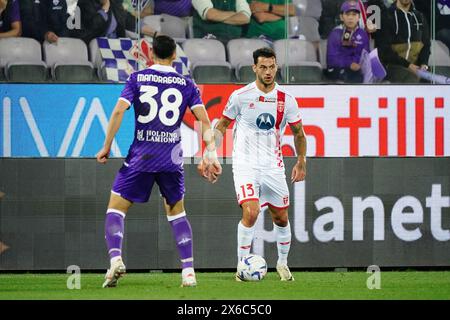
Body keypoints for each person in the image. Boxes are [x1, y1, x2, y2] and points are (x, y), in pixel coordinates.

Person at [96, 35, 221, 288]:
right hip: (171, 158)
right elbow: (204, 121)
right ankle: (188, 272)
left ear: (151, 54)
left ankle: (116, 260)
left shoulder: (137, 78)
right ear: (175, 55)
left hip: (141, 156)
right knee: (177, 213)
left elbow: (120, 110)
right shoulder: (186, 83)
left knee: (116, 209)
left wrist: (107, 146)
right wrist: (211, 152)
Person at [214, 47, 307, 281]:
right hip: (245, 164)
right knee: (252, 211)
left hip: (273, 166)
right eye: (263, 67)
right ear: (254, 67)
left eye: (272, 66)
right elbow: (222, 126)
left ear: (277, 67)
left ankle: (283, 264)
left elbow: (299, 133)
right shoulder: (240, 96)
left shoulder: (287, 100)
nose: (268, 72)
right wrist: (209, 153)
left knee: (281, 217)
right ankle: (241, 267)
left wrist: (301, 160)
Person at [376, 0, 430, 83]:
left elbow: (426, 45)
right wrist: (408, 65)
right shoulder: (386, 16)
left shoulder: (420, 17)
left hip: (416, 68)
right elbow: (384, 50)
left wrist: (424, 64)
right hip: (393, 67)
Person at [326, 1, 370, 83]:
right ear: (341, 17)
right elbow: (331, 59)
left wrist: (358, 64)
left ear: (359, 17)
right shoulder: (335, 33)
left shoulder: (363, 34)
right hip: (338, 70)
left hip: (357, 70)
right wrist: (349, 64)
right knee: (354, 78)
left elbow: (365, 55)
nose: (350, 18)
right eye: (347, 14)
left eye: (354, 14)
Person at [77, 0, 157, 44]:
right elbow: (92, 27)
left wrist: (156, 34)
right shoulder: (84, 3)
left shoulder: (115, 2)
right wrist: (105, 7)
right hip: (97, 47)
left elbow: (129, 20)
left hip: (117, 45)